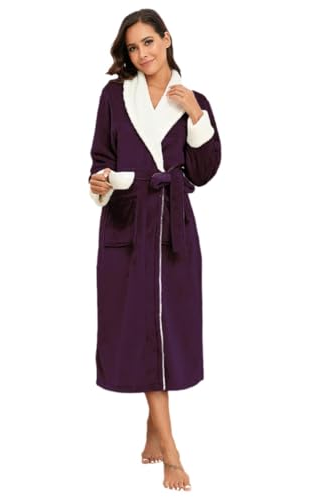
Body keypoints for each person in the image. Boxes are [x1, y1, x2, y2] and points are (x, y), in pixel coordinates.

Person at [88, 8, 221, 492]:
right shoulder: (114, 96)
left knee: (168, 332)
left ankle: (152, 428)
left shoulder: (193, 100)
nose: (142, 53)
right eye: (132, 47)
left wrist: (196, 117)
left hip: (173, 225)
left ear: (166, 39)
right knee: (142, 328)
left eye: (148, 42)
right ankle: (171, 451)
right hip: (127, 221)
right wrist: (100, 181)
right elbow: (100, 157)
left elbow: (204, 171)